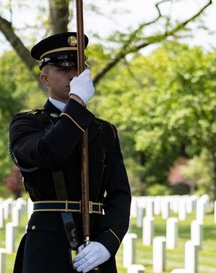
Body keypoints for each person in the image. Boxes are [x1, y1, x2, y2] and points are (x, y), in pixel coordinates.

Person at [9, 32, 132, 273]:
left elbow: (120, 194)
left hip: (95, 245)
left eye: (78, 67)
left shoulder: (105, 131)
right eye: (62, 69)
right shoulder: (27, 123)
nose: (72, 74)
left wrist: (107, 242)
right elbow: (50, 153)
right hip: (49, 246)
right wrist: (77, 102)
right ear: (45, 78)